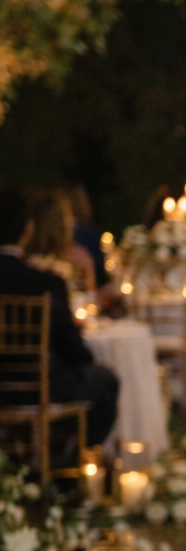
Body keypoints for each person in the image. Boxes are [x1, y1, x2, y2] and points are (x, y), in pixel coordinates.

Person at [0, 188, 119, 452]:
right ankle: (66, 461)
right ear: (28, 229)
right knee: (105, 380)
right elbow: (72, 350)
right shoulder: (45, 283)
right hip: (39, 388)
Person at [25, 190, 96, 292]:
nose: (72, 222)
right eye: (69, 216)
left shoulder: (23, 259)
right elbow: (90, 299)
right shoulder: (79, 257)